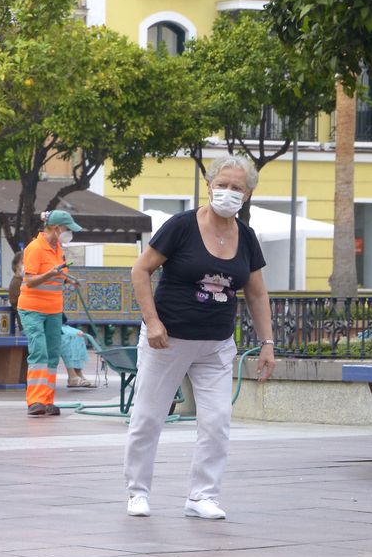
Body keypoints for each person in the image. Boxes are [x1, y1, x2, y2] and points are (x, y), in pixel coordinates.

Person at [124, 154, 276, 519]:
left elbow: (256, 292)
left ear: (248, 194)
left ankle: (202, 496)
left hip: (217, 343)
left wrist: (268, 343)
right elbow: (140, 270)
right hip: (168, 339)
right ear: (209, 186)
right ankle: (138, 492)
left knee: (217, 420)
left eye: (236, 187)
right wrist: (153, 322)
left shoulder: (247, 237)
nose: (227, 192)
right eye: (221, 185)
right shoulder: (181, 226)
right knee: (148, 416)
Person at [19, 210, 82, 417]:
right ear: (55, 229)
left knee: (53, 353)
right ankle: (35, 401)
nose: (69, 233)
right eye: (67, 229)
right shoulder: (35, 248)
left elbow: (58, 273)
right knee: (39, 352)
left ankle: (47, 400)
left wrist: (69, 279)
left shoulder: (57, 249)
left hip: (54, 309)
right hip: (32, 309)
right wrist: (51, 273)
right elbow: (29, 280)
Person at [61, 321, 96, 388]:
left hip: (59, 322)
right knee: (67, 335)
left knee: (78, 333)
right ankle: (72, 375)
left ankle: (77, 373)